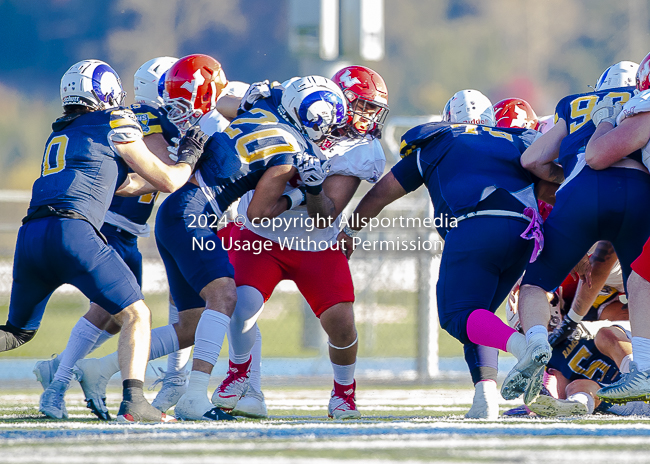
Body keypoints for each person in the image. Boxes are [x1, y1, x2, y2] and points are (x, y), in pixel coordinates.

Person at [73, 75, 349, 421]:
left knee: (192, 324)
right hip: (195, 215)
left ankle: (101, 368)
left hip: (175, 213)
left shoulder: (263, 106)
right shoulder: (289, 153)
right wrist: (304, 191)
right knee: (225, 297)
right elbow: (259, 213)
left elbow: (226, 104)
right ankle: (194, 396)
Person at [5, 59, 201, 422]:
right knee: (137, 314)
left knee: (16, 334)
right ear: (105, 92)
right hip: (75, 232)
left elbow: (120, 184)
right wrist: (189, 157)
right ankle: (135, 402)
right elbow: (170, 181)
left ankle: (66, 380)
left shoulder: (64, 129)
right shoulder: (117, 121)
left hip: (32, 233)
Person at [339, 88, 546, 419]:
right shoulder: (515, 140)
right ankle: (485, 400)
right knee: (481, 319)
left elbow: (381, 194)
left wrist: (350, 230)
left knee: (457, 315)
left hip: (477, 227)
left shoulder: (441, 141)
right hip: (524, 234)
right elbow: (551, 183)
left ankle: (523, 346)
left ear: (449, 118)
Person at [211, 65, 389, 420]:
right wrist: (253, 100)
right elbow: (221, 103)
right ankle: (239, 373)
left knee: (341, 322)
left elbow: (326, 213)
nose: (368, 117)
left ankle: (344, 393)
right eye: (363, 106)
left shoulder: (359, 148)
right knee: (241, 305)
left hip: (316, 244)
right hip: (261, 236)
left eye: (374, 109)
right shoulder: (290, 104)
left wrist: (310, 188)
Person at [515, 61, 648, 407]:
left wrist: (569, 174)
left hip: (582, 193)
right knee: (642, 281)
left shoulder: (576, 103)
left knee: (535, 284)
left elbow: (532, 160)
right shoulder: (639, 100)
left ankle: (536, 342)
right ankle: (644, 367)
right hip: (637, 192)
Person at [581, 52, 650, 404]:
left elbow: (596, 155)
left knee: (640, 279)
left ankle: (644, 372)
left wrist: (606, 122)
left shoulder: (645, 110)